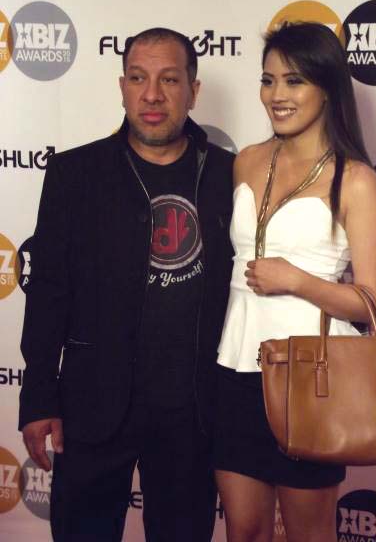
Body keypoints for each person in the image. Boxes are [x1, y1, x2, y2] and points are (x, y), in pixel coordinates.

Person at [19, 27, 234, 542]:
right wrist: (38, 398)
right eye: (138, 78)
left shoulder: (230, 175)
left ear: (193, 91)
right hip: (92, 404)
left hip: (194, 413)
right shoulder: (75, 174)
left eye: (169, 80)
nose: (152, 95)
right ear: (122, 87)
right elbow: (48, 293)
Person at [214, 22, 376, 542]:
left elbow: (372, 304)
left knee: (309, 534)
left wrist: (296, 279)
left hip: (311, 377)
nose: (277, 95)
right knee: (244, 531)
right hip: (235, 367)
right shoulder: (247, 161)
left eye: (294, 81)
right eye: (268, 80)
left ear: (327, 87)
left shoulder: (355, 180)